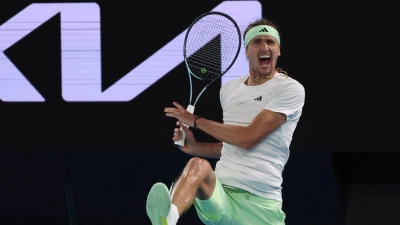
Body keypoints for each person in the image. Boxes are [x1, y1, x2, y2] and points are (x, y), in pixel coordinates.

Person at [146, 17, 305, 225]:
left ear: (278, 50)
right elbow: (231, 146)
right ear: (247, 51)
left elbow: (247, 139)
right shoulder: (229, 90)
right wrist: (196, 147)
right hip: (222, 197)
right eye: (257, 42)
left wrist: (195, 120)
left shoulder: (289, 89)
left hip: (261, 206)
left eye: (270, 42)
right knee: (197, 165)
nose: (264, 46)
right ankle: (168, 218)